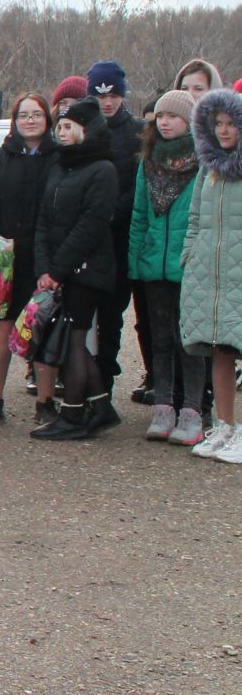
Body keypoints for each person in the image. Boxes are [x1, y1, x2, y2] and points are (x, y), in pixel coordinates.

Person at [29, 95, 122, 440]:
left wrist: (57, 270)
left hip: (87, 270)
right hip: (59, 269)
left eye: (70, 127)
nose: (62, 133)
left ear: (88, 130)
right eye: (60, 126)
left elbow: (91, 225)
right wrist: (44, 268)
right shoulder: (59, 167)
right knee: (74, 339)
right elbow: (43, 220)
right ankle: (99, 408)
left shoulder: (103, 170)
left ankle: (72, 413)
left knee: (75, 338)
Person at [0, 92, 57, 424]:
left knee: (43, 330)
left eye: (36, 115)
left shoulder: (60, 159)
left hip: (46, 261)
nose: (29, 121)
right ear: (14, 121)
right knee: (1, 332)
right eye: (23, 115)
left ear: (48, 119)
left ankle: (46, 401)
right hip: (6, 262)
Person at [128, 90, 205, 443]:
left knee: (187, 341)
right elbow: (140, 215)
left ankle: (192, 410)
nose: (165, 122)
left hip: (188, 267)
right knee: (159, 338)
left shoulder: (203, 161)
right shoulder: (149, 162)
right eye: (160, 117)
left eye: (172, 116)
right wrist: (136, 260)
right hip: (153, 266)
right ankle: (162, 406)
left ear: (188, 121)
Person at [181, 88, 242, 462]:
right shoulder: (210, 168)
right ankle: (225, 425)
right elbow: (194, 218)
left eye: (231, 123)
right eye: (218, 123)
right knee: (220, 349)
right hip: (213, 275)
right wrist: (190, 256)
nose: (224, 130)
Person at [85, 60, 144, 401]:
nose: (107, 102)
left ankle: (103, 383)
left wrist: (108, 216)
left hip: (119, 237)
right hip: (87, 239)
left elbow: (138, 186)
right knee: (80, 317)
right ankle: (79, 381)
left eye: (113, 95)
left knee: (111, 316)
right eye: (100, 95)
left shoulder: (136, 132)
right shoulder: (83, 127)